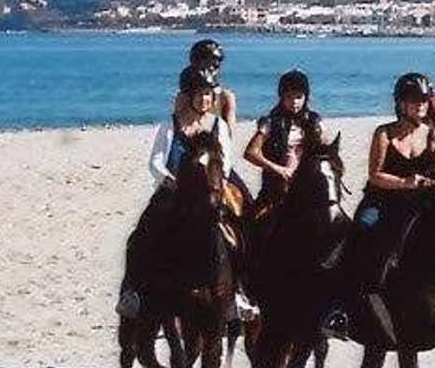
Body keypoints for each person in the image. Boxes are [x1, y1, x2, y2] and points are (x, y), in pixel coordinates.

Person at [339, 72, 435, 345]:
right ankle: (340, 309)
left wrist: (432, 182)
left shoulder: (434, 136)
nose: (420, 106)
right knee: (356, 237)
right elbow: (375, 174)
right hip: (381, 202)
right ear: (401, 104)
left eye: (424, 101)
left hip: (418, 204)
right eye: (414, 101)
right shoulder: (384, 133)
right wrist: (404, 182)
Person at [118, 65, 236, 318]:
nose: (205, 99)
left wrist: (219, 182)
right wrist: (169, 179)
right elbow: (156, 160)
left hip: (209, 193)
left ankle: (240, 293)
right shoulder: (171, 125)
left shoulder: (218, 125)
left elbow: (226, 160)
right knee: (140, 237)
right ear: (188, 96)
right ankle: (132, 292)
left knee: (237, 235)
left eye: (208, 94)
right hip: (173, 192)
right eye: (199, 94)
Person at [243, 68, 321, 212]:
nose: (294, 102)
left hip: (308, 186)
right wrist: (279, 170)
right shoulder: (270, 122)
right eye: (289, 97)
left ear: (306, 97)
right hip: (275, 189)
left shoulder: (314, 121)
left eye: (299, 97)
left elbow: (325, 150)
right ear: (281, 97)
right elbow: (250, 153)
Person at [181, 39, 238, 137]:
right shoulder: (186, 94)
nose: (213, 69)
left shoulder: (225, 97)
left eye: (216, 65)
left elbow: (229, 134)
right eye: (210, 64)